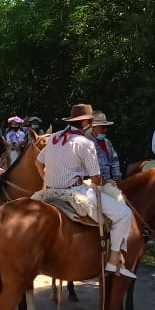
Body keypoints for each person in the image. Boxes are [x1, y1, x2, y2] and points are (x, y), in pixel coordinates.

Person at [36, 104, 136, 278]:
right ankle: (113, 261)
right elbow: (96, 179)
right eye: (90, 121)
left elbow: (37, 162)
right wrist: (105, 184)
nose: (91, 124)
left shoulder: (55, 137)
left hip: (50, 191)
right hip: (75, 190)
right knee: (124, 213)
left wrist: (46, 178)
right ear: (85, 122)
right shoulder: (85, 143)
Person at [89, 111, 122, 182]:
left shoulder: (107, 142)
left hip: (107, 181)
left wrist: (116, 175)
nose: (105, 130)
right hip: (92, 182)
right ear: (93, 127)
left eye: (106, 127)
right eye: (102, 127)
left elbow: (114, 161)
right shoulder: (86, 143)